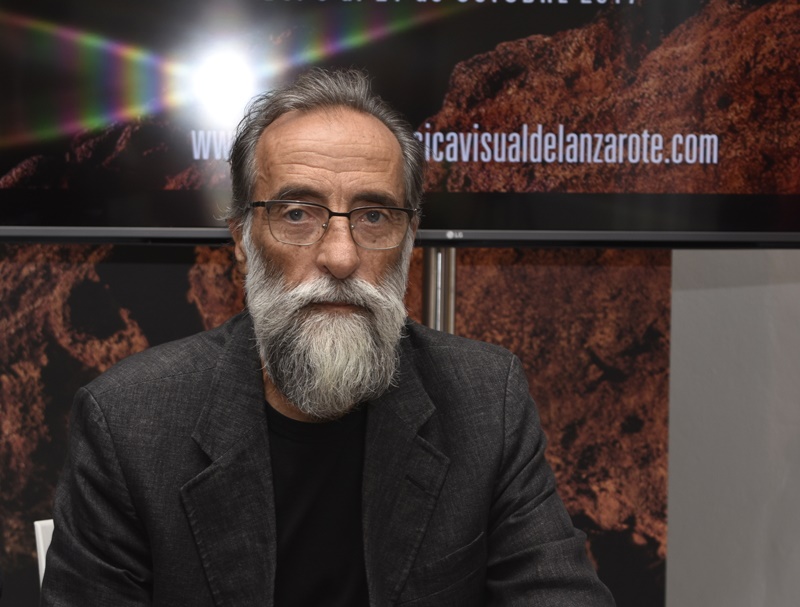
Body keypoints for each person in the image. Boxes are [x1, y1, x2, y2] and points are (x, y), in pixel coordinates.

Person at [41, 68, 615, 606]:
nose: (341, 257)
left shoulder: (487, 400)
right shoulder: (129, 422)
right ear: (242, 239)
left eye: (374, 217)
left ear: (409, 239)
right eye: (297, 213)